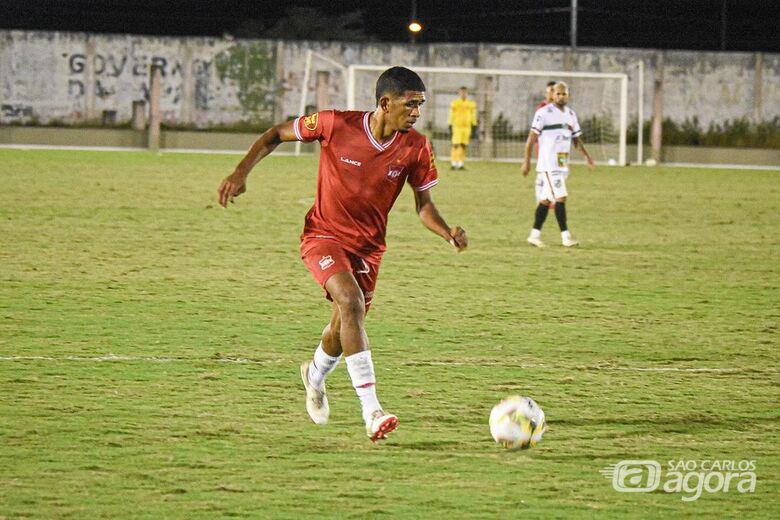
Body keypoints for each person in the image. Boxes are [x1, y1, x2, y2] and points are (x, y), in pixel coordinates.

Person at [217, 66, 468, 443]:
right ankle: (372, 412)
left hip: (368, 248)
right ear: (385, 103)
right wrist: (241, 172)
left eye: (420, 104)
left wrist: (446, 231)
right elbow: (275, 135)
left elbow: (423, 205)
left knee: (341, 326)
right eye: (410, 104)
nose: (417, 112)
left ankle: (314, 375)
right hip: (323, 235)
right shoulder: (335, 124)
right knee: (350, 302)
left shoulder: (416, 147)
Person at [521, 81, 594, 247]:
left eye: (564, 94)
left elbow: (576, 139)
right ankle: (566, 237)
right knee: (561, 197)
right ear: (553, 95)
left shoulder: (571, 115)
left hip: (562, 164)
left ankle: (534, 235)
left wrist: (587, 157)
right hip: (548, 164)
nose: (561, 96)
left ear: (568, 95)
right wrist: (526, 162)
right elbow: (531, 139)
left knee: (546, 200)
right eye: (558, 94)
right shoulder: (544, 113)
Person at [447, 86, 478, 170]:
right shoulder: (455, 103)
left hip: (467, 128)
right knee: (455, 145)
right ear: (459, 93)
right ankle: (454, 163)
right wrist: (450, 124)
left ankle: (460, 164)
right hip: (457, 127)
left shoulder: (471, 104)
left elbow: (473, 115)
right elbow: (451, 114)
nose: (463, 94)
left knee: (463, 145)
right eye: (461, 92)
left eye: (465, 92)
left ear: (467, 93)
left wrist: (474, 125)